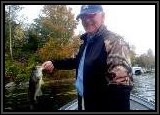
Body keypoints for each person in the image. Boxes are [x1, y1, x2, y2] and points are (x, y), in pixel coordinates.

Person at [42, 5, 133, 111]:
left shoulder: (114, 41)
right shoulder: (86, 42)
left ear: (103, 16)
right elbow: (78, 62)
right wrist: (55, 63)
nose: (87, 20)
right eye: (83, 17)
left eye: (91, 15)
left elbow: (121, 87)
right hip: (84, 100)